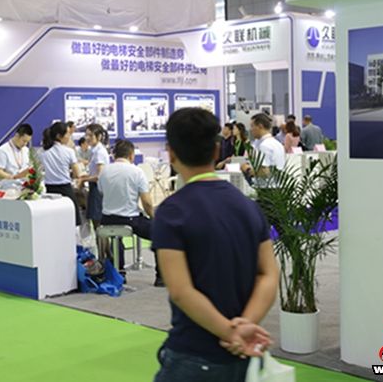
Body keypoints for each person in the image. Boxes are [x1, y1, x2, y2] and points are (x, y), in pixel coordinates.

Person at [152, 108, 278, 381]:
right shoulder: (248, 207)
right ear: (216, 150)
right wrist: (246, 325)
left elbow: (181, 291)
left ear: (171, 153)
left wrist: (230, 333)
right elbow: (269, 274)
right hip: (243, 356)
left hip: (193, 353)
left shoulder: (171, 212)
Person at [98, 139, 162, 286]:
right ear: (131, 155)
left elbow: (102, 192)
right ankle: (161, 276)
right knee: (160, 232)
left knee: (116, 239)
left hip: (107, 219)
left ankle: (119, 274)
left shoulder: (104, 171)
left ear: (114, 155)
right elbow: (147, 202)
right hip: (130, 219)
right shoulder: (136, 172)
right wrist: (153, 217)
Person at [41, 122, 81, 226]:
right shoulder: (69, 151)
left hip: (50, 191)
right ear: (59, 136)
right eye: (67, 133)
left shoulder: (44, 153)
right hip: (65, 190)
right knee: (72, 222)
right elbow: (77, 174)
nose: (69, 136)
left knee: (53, 223)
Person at [77, 124, 109, 231]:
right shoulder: (94, 150)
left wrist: (84, 179)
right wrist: (85, 177)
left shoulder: (100, 152)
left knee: (98, 223)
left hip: (98, 189)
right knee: (96, 223)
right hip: (94, 187)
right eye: (86, 135)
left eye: (90, 135)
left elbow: (99, 176)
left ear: (99, 136)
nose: (87, 138)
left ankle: (103, 243)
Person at [245, 113, 286, 178]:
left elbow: (264, 171)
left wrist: (248, 170)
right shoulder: (277, 144)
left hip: (267, 183)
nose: (251, 129)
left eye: (252, 126)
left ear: (260, 126)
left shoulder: (264, 146)